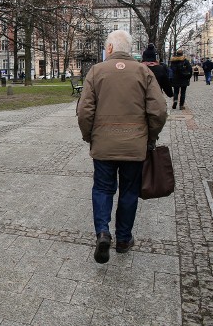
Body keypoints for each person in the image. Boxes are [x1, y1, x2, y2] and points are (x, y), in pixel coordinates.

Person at [77, 30, 167, 264]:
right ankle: (124, 239)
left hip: (104, 145)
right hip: (134, 146)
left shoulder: (96, 72)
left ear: (109, 49)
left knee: (103, 189)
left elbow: (84, 111)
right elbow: (158, 111)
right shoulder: (144, 72)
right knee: (129, 192)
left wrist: (89, 136)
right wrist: (150, 137)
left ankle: (103, 233)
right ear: (128, 50)